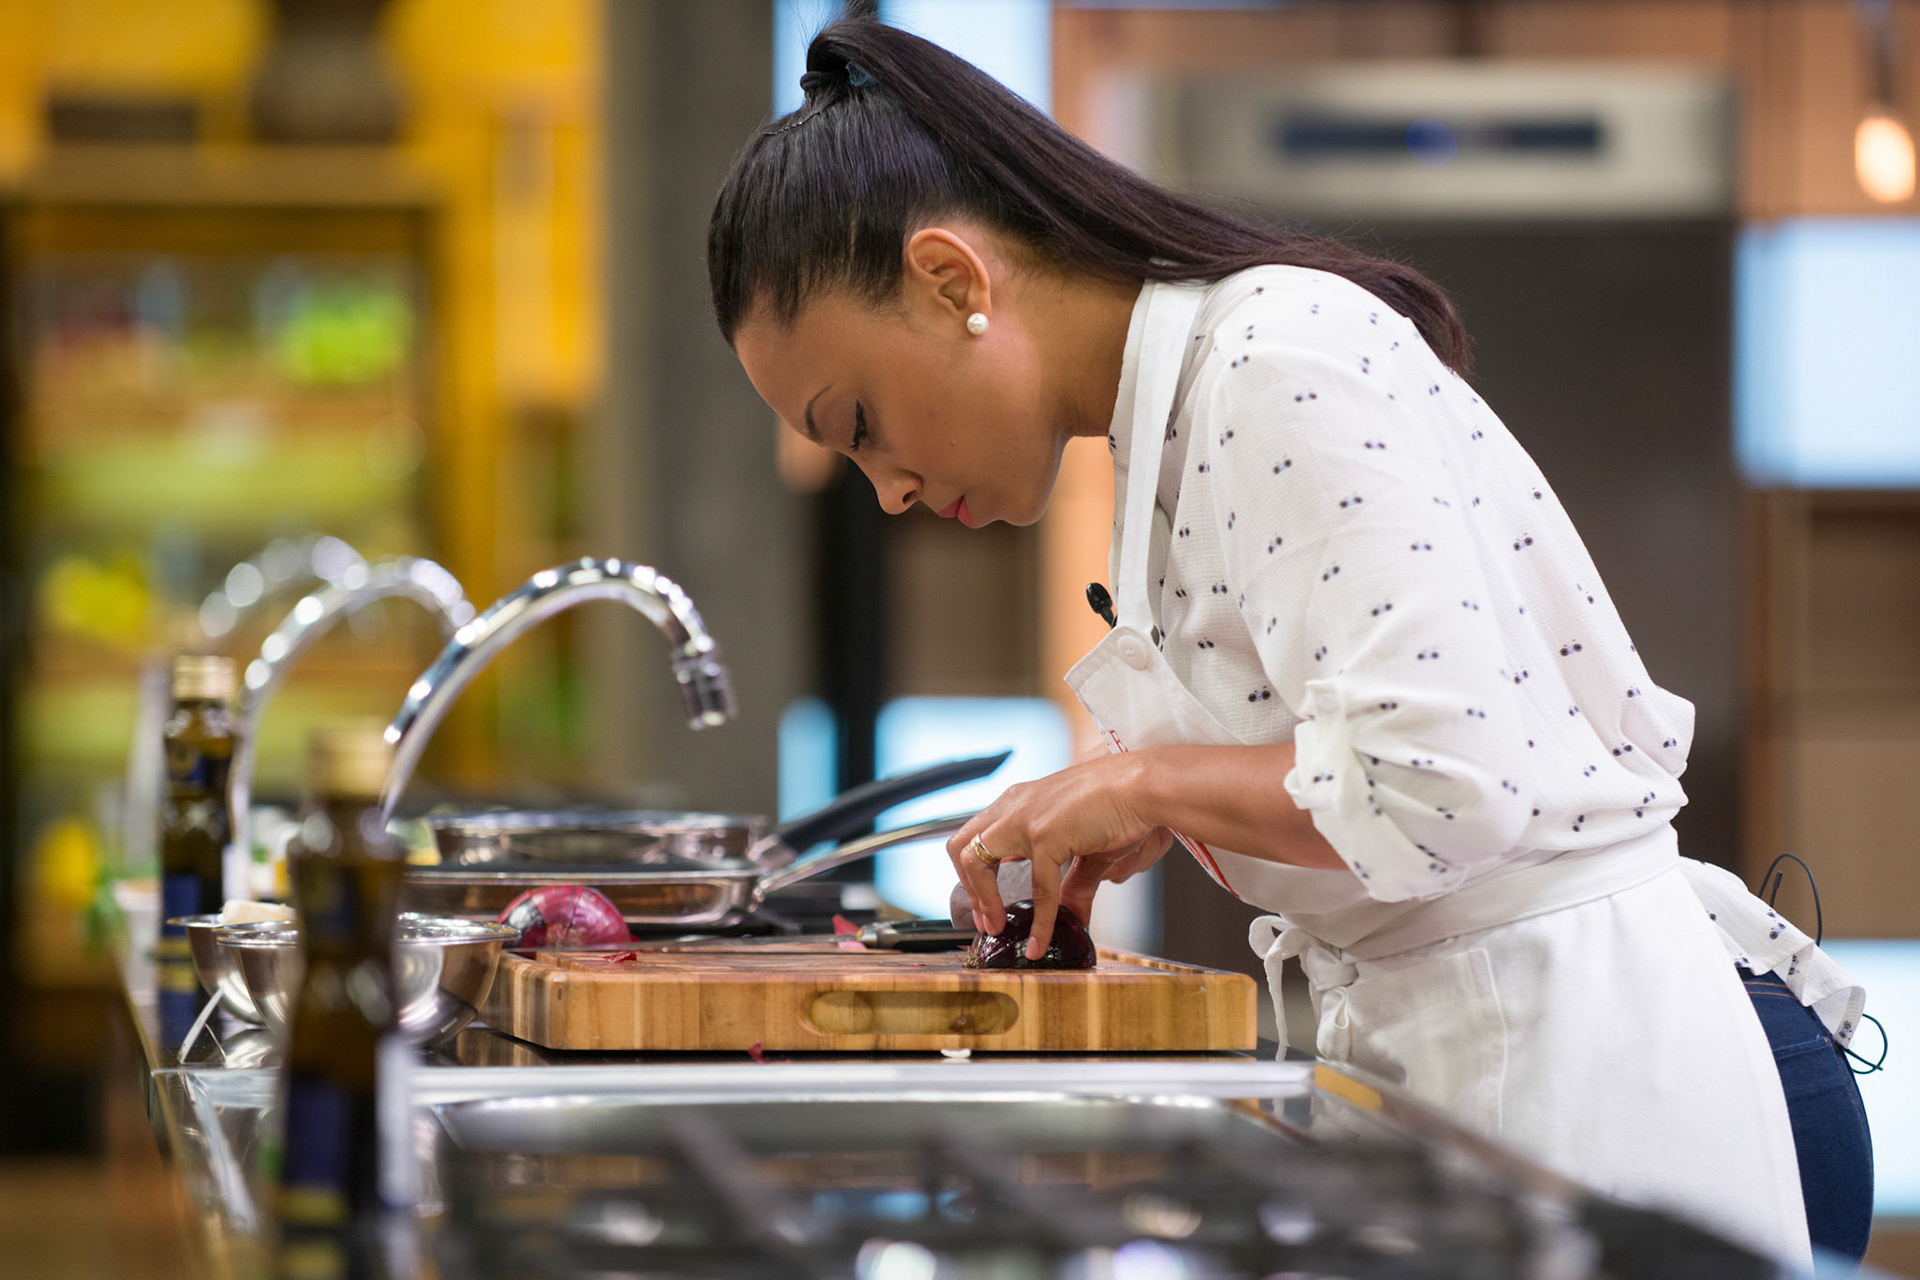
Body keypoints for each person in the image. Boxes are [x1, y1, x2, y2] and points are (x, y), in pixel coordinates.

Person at [707, 17, 1872, 1266]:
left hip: (1575, 1068)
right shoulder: (1174, 415)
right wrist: (1168, 806)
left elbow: (1443, 785)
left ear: (953, 281)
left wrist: (1152, 781)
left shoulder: (1272, 357)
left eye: (860, 423)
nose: (886, 487)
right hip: (1466, 1053)